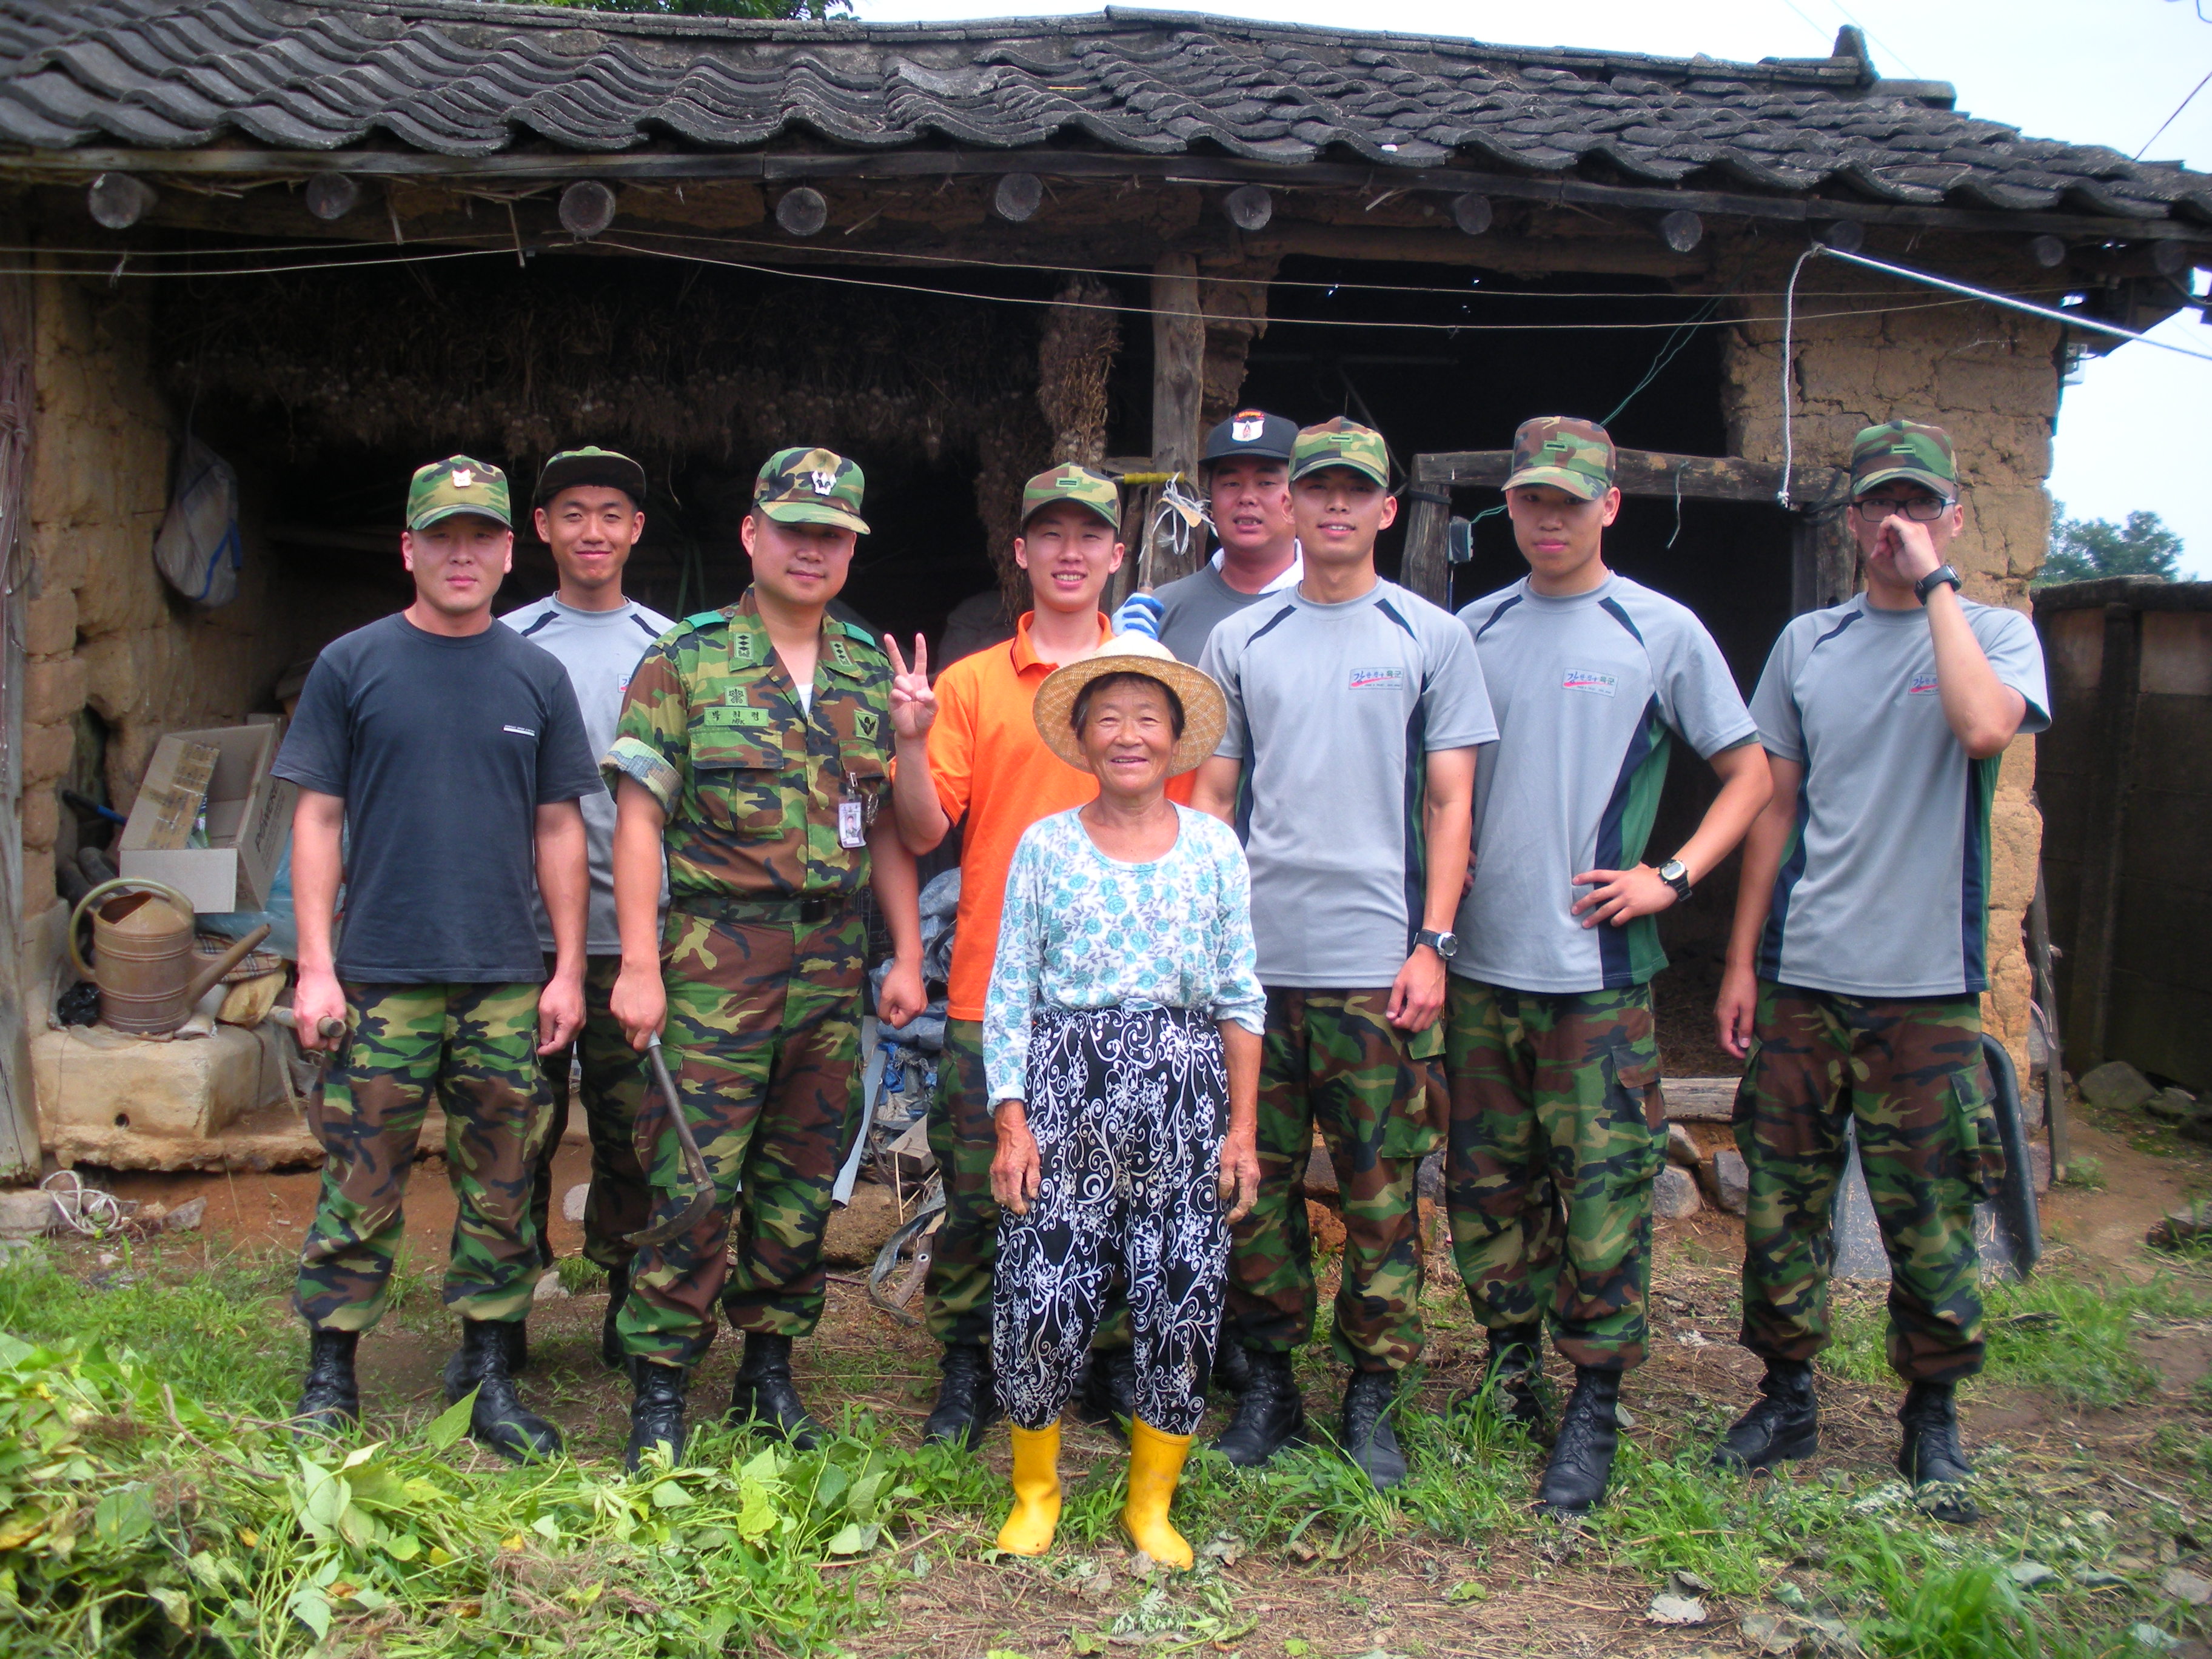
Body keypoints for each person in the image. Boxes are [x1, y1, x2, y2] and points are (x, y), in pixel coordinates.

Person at [1711, 420, 2048, 1526]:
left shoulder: (1992, 634)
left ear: (1952, 513)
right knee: (1783, 1207)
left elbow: (1981, 728)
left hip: (1923, 988)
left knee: (1926, 1209)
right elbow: (1774, 805)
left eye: (1917, 504)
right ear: (1847, 518)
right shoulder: (1807, 643)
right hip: (1807, 975)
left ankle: (1931, 1414)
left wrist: (1935, 587)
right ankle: (1787, 1393)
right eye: (1875, 505)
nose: (1893, 523)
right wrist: (1742, 961)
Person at [1446, 417, 1772, 1516]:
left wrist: (1670, 875)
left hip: (1593, 972)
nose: (1547, 518)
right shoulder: (1472, 627)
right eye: (1531, 499)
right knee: (1489, 1183)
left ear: (1608, 507)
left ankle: (1591, 1400)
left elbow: (1747, 774)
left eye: (1569, 501)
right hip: (1481, 966)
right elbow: (1433, 779)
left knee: (1599, 1195)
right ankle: (1507, 1367)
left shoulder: (1658, 630)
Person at [603, 447, 927, 1472]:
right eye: (792, 529)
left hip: (829, 967)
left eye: (830, 535)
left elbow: (894, 831)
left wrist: (907, 951)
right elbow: (637, 818)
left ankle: (768, 1370)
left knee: (798, 1183)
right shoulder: (685, 660)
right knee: (694, 1181)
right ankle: (661, 1386)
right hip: (711, 959)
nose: (810, 549)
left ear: (849, 550)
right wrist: (640, 962)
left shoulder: (869, 673)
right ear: (752, 534)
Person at [1191, 417, 1494, 1489]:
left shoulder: (1427, 637)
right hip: (1257, 974)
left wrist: (1433, 944)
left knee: (1377, 1193)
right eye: (1310, 488)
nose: (1327, 506)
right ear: (1288, 505)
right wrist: (1212, 945)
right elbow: (1214, 799)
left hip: (1380, 970)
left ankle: (1373, 1394)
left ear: (1384, 510)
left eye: (1349, 491)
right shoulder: (1242, 641)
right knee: (1255, 1183)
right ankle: (1267, 1382)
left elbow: (1452, 799)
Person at [281, 457, 598, 1463]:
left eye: (481, 538)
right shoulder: (351, 664)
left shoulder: (534, 675)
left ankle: (488, 1370)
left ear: (510, 551)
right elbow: (318, 816)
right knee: (361, 1175)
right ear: (408, 548)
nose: (461, 556)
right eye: (441, 538)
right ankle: (333, 1370)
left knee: (502, 1180)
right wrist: (315, 964)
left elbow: (560, 830)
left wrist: (567, 970)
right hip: (378, 971)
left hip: (504, 974)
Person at [985, 635, 1262, 1566]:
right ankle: (1036, 1489)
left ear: (1178, 737)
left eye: (1149, 718)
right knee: (1043, 1288)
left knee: (1183, 1288)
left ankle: (1152, 1505)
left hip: (1189, 1089)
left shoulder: (1216, 848)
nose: (1130, 735)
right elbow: (1009, 993)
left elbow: (1240, 993)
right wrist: (1011, 1123)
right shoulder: (1045, 845)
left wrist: (1244, 1131)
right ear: (1085, 737)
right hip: (1067, 1085)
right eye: (1110, 718)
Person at [885, 464, 1142, 1449]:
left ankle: (1106, 1359)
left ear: (1115, 554)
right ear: (1022, 554)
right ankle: (967, 1361)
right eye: (1051, 534)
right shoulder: (971, 683)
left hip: (1122, 994)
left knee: (1111, 1187)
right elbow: (916, 832)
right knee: (977, 1191)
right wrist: (910, 744)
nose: (1070, 551)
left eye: (1090, 534)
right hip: (991, 993)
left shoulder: (1148, 680)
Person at [501, 447, 674, 1371]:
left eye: (612, 513)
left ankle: (622, 1296)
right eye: (573, 513)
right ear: (542, 529)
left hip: (631, 937)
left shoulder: (670, 644)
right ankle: (507, 1307)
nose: (593, 531)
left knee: (630, 1133)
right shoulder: (506, 641)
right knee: (516, 1126)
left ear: (636, 530)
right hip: (519, 938)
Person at [1116, 409, 1302, 665]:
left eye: (1266, 483)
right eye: (1231, 484)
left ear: (1299, 496)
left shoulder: (1330, 603)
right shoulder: (1161, 610)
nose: (1247, 497)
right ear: (1210, 500)